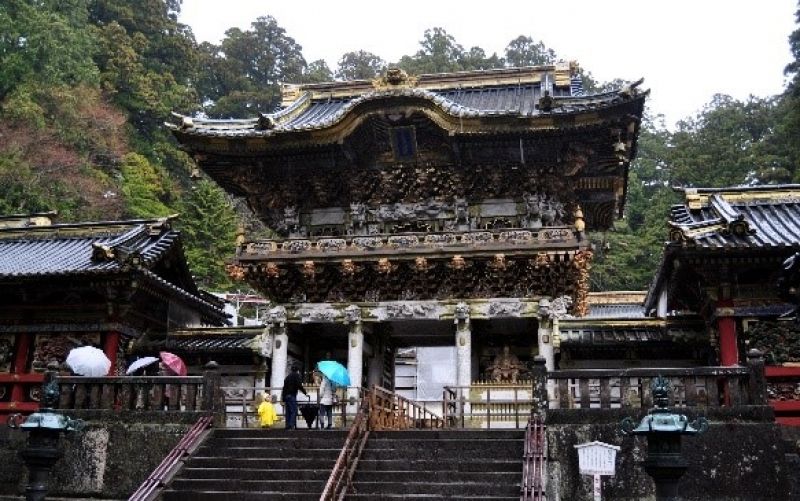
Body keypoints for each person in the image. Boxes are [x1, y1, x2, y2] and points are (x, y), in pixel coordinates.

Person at [281, 365, 307, 429]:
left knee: (288, 411)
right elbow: (299, 385)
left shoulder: (287, 377)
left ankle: (287, 425)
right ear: (298, 371)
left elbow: (284, 388)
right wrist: (305, 392)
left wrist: (283, 397)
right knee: (294, 410)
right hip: (292, 395)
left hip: (286, 396)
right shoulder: (296, 376)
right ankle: (291, 425)